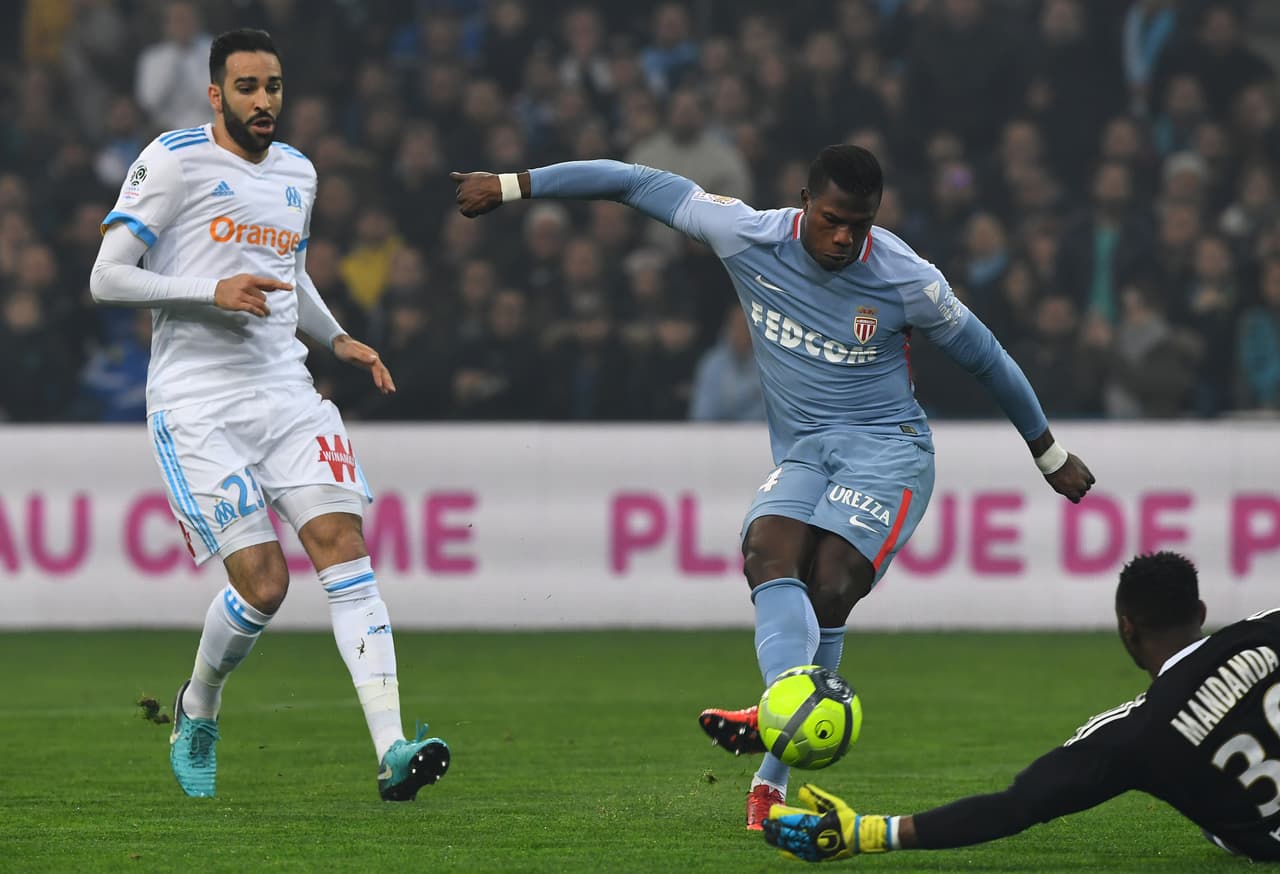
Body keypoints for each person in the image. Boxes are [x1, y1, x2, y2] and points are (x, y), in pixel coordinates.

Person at [451, 144, 1095, 828]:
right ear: (803, 205)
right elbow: (635, 182)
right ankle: (778, 744)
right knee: (767, 551)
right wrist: (514, 185)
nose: (845, 236)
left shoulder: (907, 278)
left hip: (888, 451)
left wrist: (1048, 452)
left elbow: (986, 357)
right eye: (833, 219)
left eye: (861, 224)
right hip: (804, 451)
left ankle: (771, 758)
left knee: (832, 581)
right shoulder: (747, 232)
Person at [89, 29, 449, 801]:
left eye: (274, 87)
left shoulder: (298, 172)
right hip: (195, 403)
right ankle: (200, 704)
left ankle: (392, 748)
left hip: (285, 389)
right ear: (216, 94)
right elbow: (107, 278)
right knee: (263, 584)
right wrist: (207, 291)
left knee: (344, 548)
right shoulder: (173, 159)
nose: (264, 102)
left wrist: (338, 336)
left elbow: (290, 274)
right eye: (248, 87)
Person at [763, 551, 1280, 863]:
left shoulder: (1132, 736)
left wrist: (867, 832)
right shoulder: (1266, 629)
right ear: (1201, 612)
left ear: (1126, 627)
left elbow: (1015, 807)